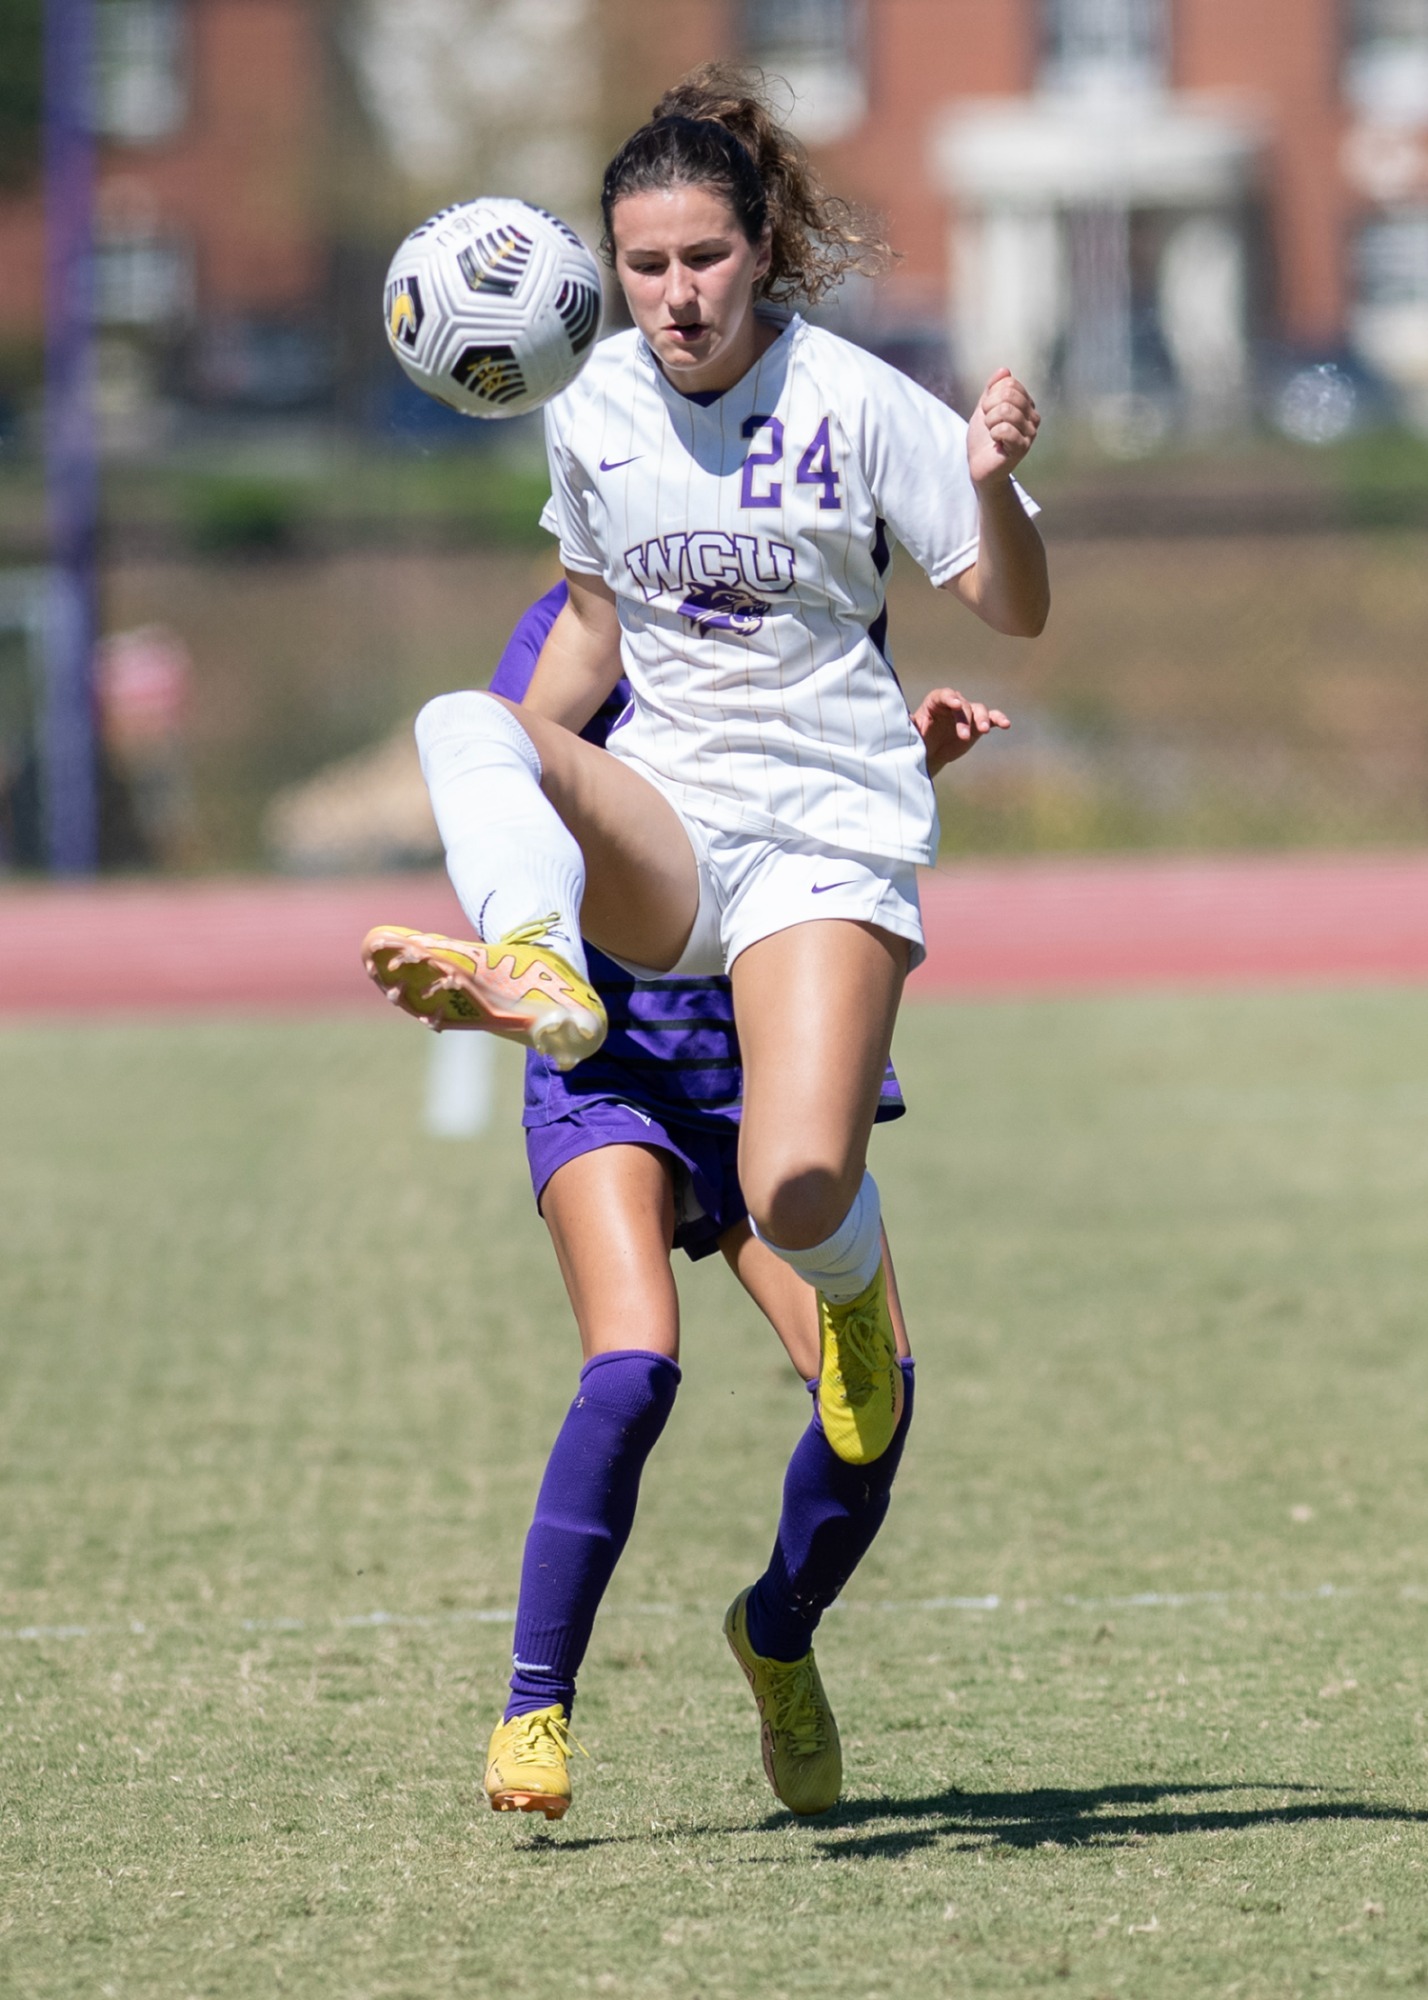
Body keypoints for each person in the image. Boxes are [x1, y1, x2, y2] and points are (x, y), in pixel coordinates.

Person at [364, 63, 1045, 1809]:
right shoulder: (584, 407)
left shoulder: (855, 399)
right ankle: (530, 967)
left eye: (701, 260)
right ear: (607, 269)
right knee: (465, 714)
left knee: (805, 1191)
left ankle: (827, 1401)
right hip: (670, 834)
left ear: (763, 253)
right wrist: (528, 790)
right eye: (642, 264)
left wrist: (994, 486)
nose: (672, 294)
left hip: (827, 830)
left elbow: (1014, 606)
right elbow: (586, 640)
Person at [450, 580, 1006, 1821]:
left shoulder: (799, 591)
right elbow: (505, 797)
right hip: (616, 1061)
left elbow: (830, 816)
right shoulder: (572, 625)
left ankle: (777, 1633)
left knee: (878, 1395)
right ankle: (535, 1701)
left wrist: (911, 757)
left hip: (765, 1056)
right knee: (633, 1365)